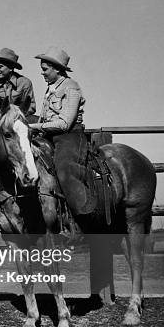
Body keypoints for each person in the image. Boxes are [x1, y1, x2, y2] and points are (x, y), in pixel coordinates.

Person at [29, 46, 94, 218]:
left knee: (65, 169)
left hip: (70, 136)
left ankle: (82, 216)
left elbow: (65, 123)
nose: (42, 73)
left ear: (57, 69)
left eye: (45, 70)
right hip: (49, 134)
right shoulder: (51, 87)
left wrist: (35, 127)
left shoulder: (71, 87)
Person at [0, 48, 36, 122]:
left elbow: (31, 106)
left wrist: (16, 115)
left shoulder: (25, 83)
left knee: (34, 121)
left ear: (11, 68)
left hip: (19, 116)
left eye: (0, 66)